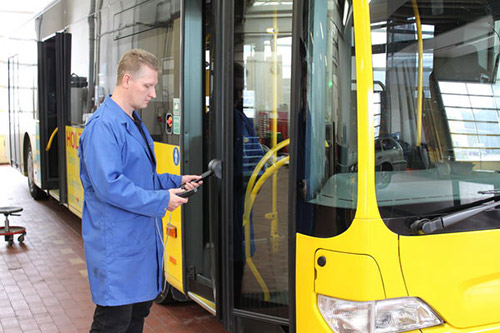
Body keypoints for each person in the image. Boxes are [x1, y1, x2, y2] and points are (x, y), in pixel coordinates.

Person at [78, 49, 200, 332]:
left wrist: (175, 181)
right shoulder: (104, 127)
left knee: (136, 315)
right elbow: (111, 186)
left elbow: (141, 177)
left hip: (138, 242)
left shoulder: (133, 122)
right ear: (127, 80)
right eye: (148, 85)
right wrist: (161, 200)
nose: (153, 93)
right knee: (114, 321)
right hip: (117, 247)